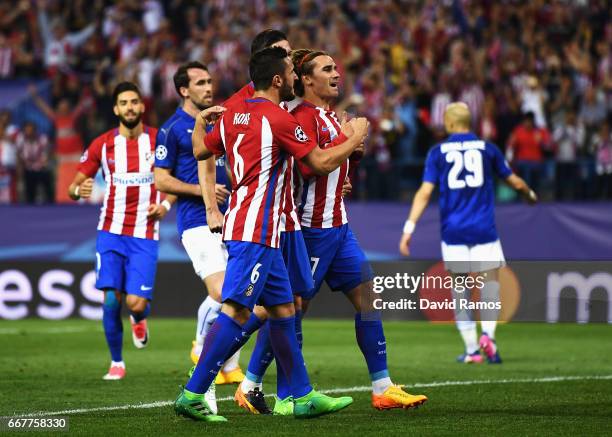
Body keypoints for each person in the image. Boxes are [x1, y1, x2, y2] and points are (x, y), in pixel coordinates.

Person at [174, 46, 368, 422]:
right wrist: (354, 136)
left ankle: (304, 395)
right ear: (278, 79)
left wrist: (200, 122)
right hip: (257, 229)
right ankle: (193, 392)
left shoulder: (232, 116)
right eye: (292, 74)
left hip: (263, 228)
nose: (296, 79)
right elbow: (320, 162)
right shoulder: (279, 119)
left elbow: (201, 150)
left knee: (284, 309)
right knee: (236, 308)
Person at [289, 49, 427, 410]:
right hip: (311, 229)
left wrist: (350, 162)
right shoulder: (302, 117)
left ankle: (382, 387)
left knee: (368, 299)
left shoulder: (330, 117)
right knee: (288, 310)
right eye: (327, 69)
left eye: (336, 68)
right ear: (306, 79)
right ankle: (252, 381)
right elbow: (309, 168)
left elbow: (336, 165)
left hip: (340, 226)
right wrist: (353, 137)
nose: (337, 73)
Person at [399, 102, 537, 364]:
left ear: (450, 124)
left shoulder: (437, 153)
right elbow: (513, 180)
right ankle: (489, 336)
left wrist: (409, 228)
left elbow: (425, 192)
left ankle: (472, 350)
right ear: (469, 123)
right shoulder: (488, 149)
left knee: (460, 290)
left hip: (454, 232)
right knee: (490, 286)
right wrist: (529, 194)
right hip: (484, 229)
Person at [68, 82, 173, 380]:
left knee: (134, 303)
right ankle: (117, 362)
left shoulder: (158, 140)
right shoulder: (102, 144)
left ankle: (139, 318)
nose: (129, 107)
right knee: (111, 299)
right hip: (111, 230)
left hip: (145, 232)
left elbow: (177, 179)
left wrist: (164, 205)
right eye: (124, 102)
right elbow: (73, 186)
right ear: (116, 109)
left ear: (142, 107)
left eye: (134, 102)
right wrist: (80, 189)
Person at [154, 61, 241, 412]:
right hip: (195, 220)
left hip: (231, 216)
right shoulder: (172, 129)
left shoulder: (220, 120)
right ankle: (200, 345)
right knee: (222, 291)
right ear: (183, 90)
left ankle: (231, 366)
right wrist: (201, 191)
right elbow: (161, 179)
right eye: (200, 82)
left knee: (240, 293)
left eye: (210, 81)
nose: (209, 87)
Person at [15, 121, 53, 204]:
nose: (29, 133)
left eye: (31, 130)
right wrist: (20, 168)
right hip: (28, 169)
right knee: (30, 192)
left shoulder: (42, 139)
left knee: (48, 191)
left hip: (42, 168)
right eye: (27, 130)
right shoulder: (21, 139)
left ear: (35, 130)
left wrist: (45, 161)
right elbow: (18, 153)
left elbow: (49, 152)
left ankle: (51, 205)